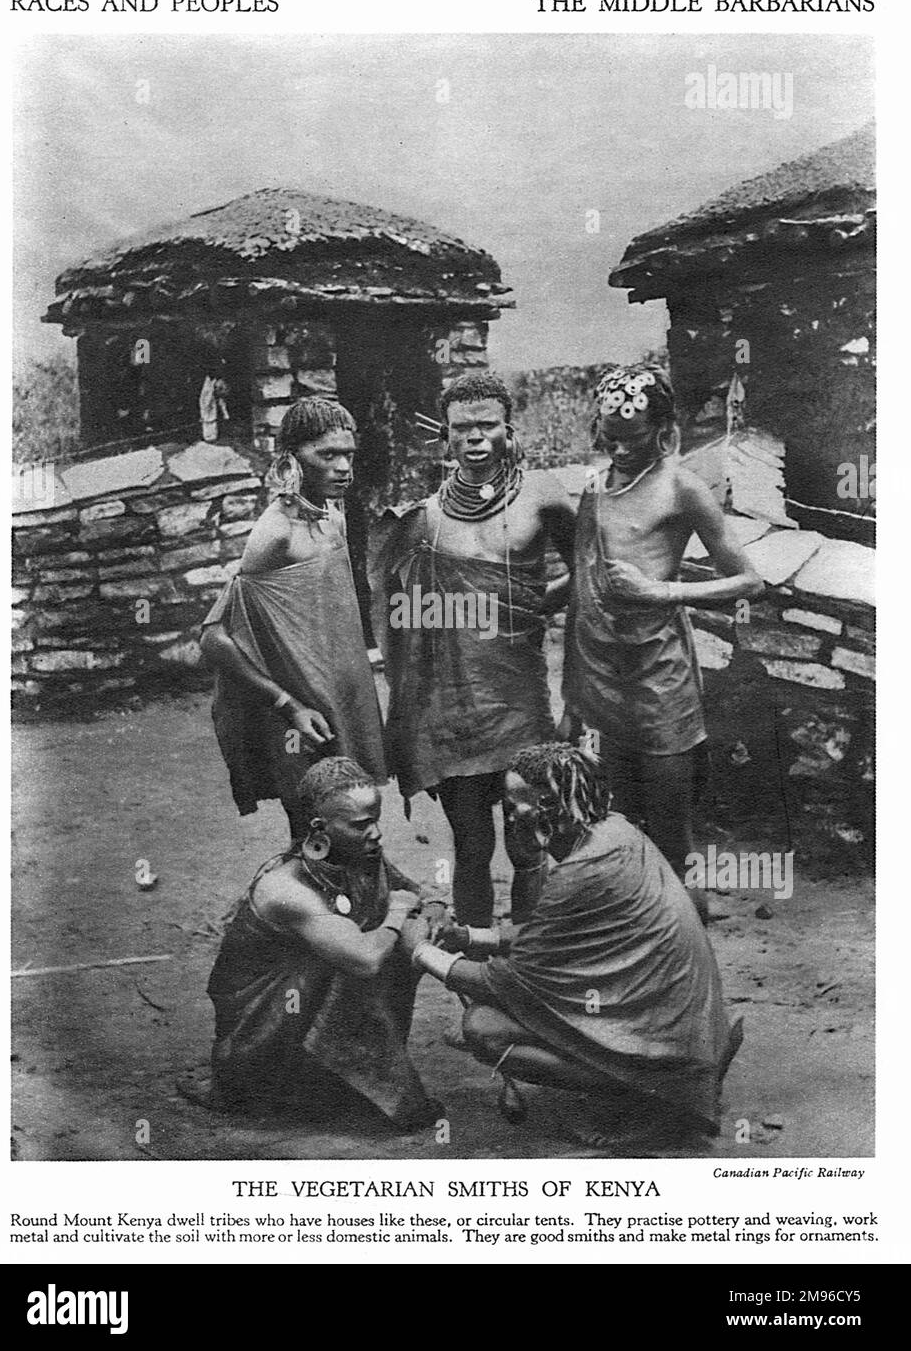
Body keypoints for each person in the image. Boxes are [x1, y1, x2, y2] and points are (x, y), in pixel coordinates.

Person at [412, 742, 742, 1141]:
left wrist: (420, 951)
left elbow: (511, 980)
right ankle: (662, 1079)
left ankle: (657, 1101)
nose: (510, 815)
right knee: (496, 1018)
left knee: (483, 1027)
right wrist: (469, 937)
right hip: (682, 1023)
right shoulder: (616, 833)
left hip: (667, 1034)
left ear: (550, 804)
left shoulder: (579, 873)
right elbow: (551, 938)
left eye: (516, 804)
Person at [370, 370, 576, 930]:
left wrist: (535, 606)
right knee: (471, 845)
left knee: (528, 834)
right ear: (446, 437)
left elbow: (591, 572)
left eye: (487, 425)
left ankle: (529, 959)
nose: (475, 438)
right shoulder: (427, 519)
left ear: (509, 429)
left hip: (519, 697)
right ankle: (480, 957)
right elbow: (395, 612)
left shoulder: (544, 494)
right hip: (453, 709)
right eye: (462, 429)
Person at [562, 363, 763, 889]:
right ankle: (639, 934)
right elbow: (588, 580)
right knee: (617, 825)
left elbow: (748, 582)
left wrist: (662, 593)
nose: (620, 451)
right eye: (609, 440)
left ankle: (689, 941)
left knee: (672, 832)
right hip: (600, 673)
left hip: (657, 676)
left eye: (633, 439)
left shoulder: (682, 487)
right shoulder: (594, 486)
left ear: (664, 430)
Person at [181, 757, 442, 1132]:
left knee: (391, 945)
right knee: (368, 954)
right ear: (320, 828)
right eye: (361, 824)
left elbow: (418, 894)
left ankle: (332, 1081)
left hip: (304, 1010)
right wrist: (399, 915)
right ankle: (277, 1086)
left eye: (377, 820)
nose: (376, 834)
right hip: (258, 1037)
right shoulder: (285, 890)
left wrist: (431, 910)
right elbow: (366, 958)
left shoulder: (358, 855)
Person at [201, 398, 386, 828]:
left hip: (338, 700)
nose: (343, 467)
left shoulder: (332, 517)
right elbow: (214, 638)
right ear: (292, 459)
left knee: (350, 815)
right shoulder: (275, 532)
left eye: (348, 455)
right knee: (312, 824)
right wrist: (288, 705)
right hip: (299, 711)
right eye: (327, 455)